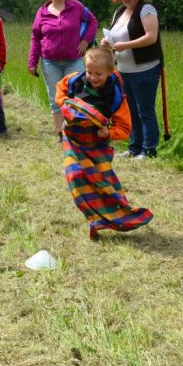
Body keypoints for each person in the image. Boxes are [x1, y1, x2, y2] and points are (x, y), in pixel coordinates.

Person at [55, 47, 153, 241]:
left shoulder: (115, 95)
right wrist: (68, 105)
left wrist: (108, 132)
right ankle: (94, 219)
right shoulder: (75, 80)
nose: (92, 77)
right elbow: (60, 91)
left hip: (97, 145)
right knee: (75, 177)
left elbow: (125, 128)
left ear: (110, 71)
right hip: (74, 141)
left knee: (101, 184)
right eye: (89, 71)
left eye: (98, 73)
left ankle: (120, 215)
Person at [100, 0, 163, 160]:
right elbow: (115, 36)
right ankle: (134, 147)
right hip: (124, 70)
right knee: (131, 110)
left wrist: (124, 46)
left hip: (145, 69)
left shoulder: (147, 10)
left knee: (145, 110)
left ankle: (149, 149)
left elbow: (151, 37)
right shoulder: (119, 12)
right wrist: (106, 42)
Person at [28, 0, 98, 142]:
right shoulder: (42, 12)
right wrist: (32, 62)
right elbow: (35, 37)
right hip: (49, 62)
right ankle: (61, 133)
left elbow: (93, 22)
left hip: (73, 60)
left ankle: (76, 130)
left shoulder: (76, 7)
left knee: (78, 95)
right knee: (55, 97)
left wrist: (85, 40)